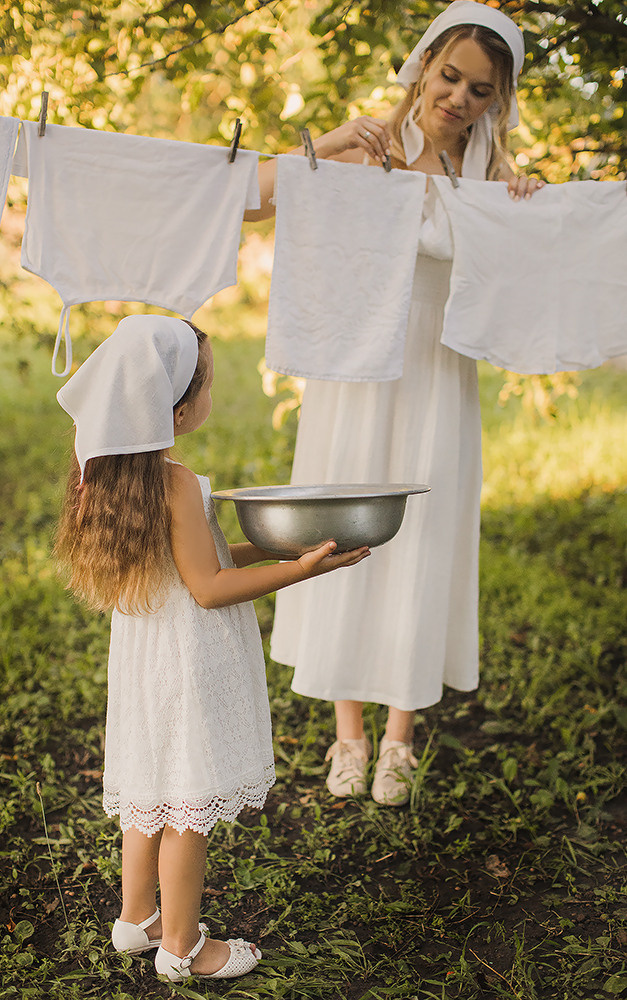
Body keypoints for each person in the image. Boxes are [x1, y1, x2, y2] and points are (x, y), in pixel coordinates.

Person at [245, 0, 543, 806]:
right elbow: (255, 200)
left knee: (423, 532)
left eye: (480, 90)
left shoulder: (488, 178)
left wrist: (522, 205)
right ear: (420, 68)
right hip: (355, 369)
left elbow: (515, 282)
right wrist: (331, 145)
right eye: (448, 77)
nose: (457, 99)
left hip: (437, 371)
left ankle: (398, 741)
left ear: (497, 100)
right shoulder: (365, 149)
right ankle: (348, 737)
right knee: (348, 529)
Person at [54, 315, 369, 982]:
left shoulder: (107, 472)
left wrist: (286, 549)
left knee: (148, 794)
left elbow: (205, 558)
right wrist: (302, 572)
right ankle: (183, 947)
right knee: (188, 808)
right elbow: (209, 586)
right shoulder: (176, 482)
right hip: (187, 664)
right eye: (207, 386)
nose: (210, 399)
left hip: (143, 663)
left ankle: (136, 919)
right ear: (174, 404)